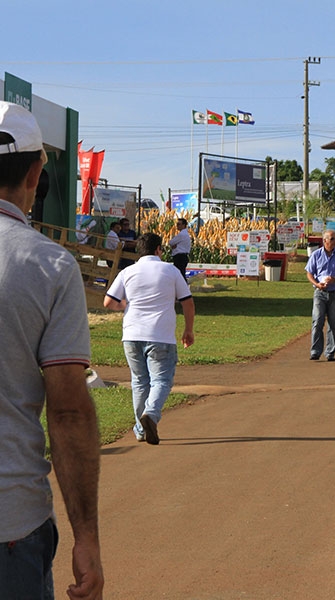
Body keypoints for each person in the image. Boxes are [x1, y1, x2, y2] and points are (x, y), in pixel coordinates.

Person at [0, 101, 104, 599]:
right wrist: (86, 536)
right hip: (10, 526)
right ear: (37, 171)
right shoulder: (48, 267)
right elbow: (67, 412)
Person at [104, 232, 196, 445]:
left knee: (139, 382)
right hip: (160, 335)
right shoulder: (171, 270)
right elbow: (187, 302)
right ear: (158, 250)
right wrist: (188, 330)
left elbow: (109, 301)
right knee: (161, 380)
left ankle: (140, 429)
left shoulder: (128, 272)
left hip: (131, 334)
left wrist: (126, 305)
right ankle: (151, 415)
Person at [305, 229, 335, 361]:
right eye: (332, 239)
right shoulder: (316, 255)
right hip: (320, 292)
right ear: (324, 241)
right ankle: (315, 351)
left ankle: (330, 352)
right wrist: (317, 283)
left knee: (334, 323)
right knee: (317, 320)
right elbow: (309, 273)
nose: (334, 241)